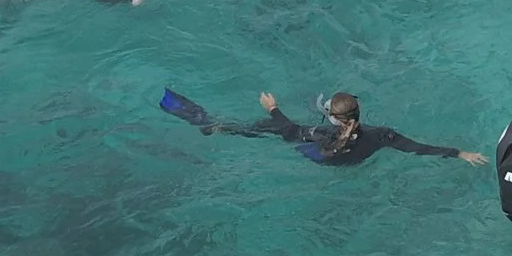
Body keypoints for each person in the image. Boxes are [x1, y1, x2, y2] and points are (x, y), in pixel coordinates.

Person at [161, 88, 488, 167]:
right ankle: (218, 128)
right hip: (346, 162)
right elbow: (417, 148)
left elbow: (288, 130)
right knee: (282, 131)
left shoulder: (323, 133)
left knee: (268, 127)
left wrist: (273, 108)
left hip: (317, 154)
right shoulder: (381, 135)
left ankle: (212, 127)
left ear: (333, 116)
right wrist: (459, 152)